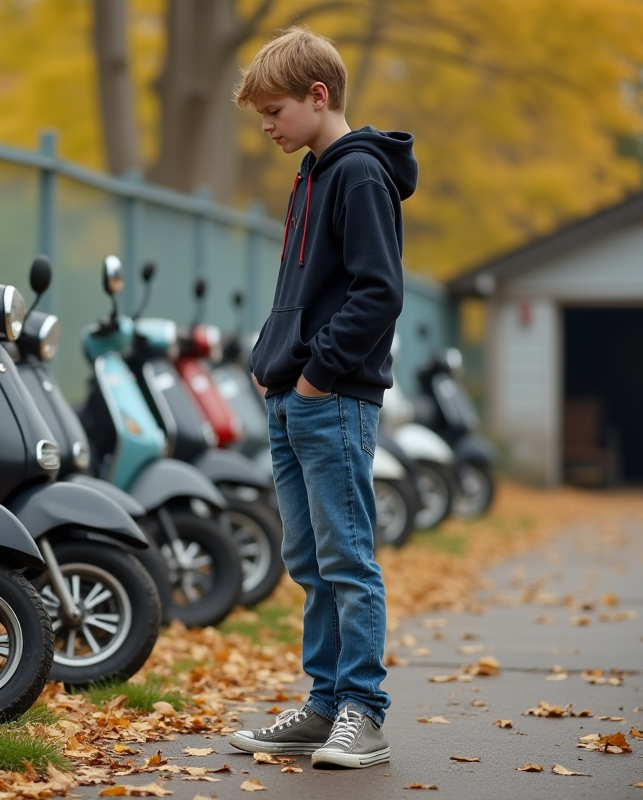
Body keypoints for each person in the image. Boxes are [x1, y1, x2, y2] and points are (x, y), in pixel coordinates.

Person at [226, 26, 417, 770]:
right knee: (307, 559)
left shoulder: (359, 174)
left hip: (330, 399)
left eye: (274, 111)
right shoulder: (311, 172)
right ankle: (323, 704)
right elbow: (301, 291)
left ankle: (362, 714)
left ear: (318, 95)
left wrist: (314, 376)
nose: (267, 127)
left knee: (347, 560)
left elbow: (379, 294)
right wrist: (267, 362)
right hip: (291, 393)